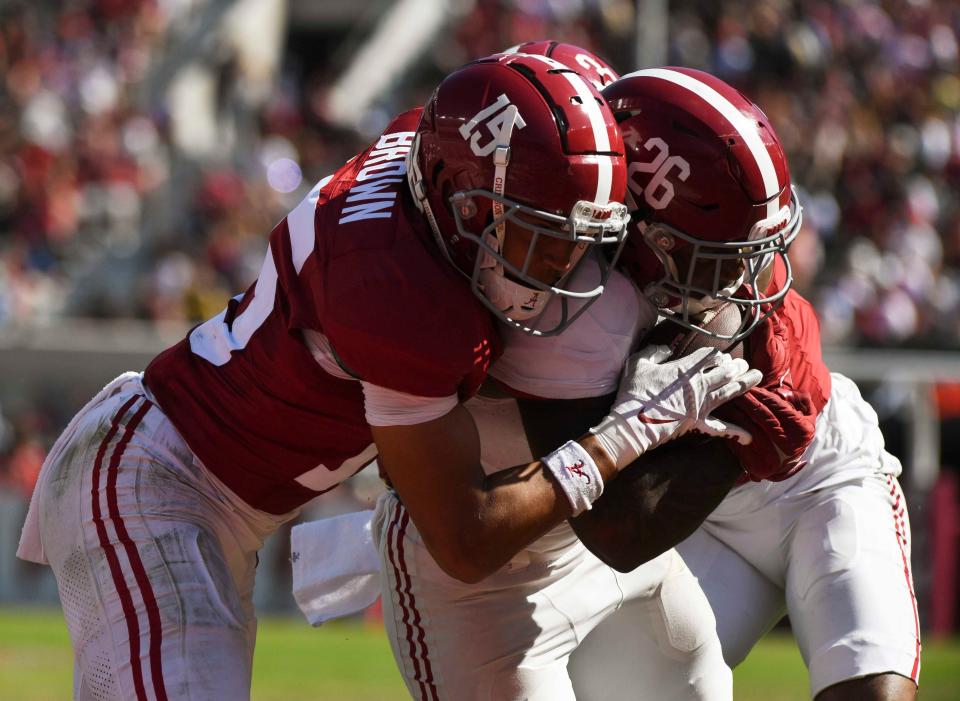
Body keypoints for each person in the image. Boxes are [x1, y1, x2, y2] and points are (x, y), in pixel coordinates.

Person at [16, 54, 758, 700]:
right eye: (538, 240)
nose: (565, 273)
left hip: (214, 486)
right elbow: (464, 539)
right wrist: (615, 439)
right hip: (157, 485)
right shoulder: (396, 289)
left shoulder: (444, 148)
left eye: (578, 244)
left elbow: (535, 93)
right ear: (466, 204)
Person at [567, 67, 919, 701]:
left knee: (869, 692)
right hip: (694, 519)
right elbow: (621, 529)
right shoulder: (573, 296)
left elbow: (783, 435)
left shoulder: (751, 301)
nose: (746, 274)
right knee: (612, 693)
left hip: (819, 480)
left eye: (750, 247)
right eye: (721, 250)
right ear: (641, 233)